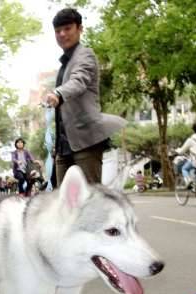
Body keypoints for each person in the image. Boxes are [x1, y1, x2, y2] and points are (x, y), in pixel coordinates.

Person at [45, 8, 125, 185]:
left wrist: (58, 93)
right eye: (58, 31)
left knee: (90, 199)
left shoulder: (85, 55)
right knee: (63, 202)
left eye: (67, 28)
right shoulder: (64, 63)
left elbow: (78, 81)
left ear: (80, 29)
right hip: (63, 145)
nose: (62, 34)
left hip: (85, 141)